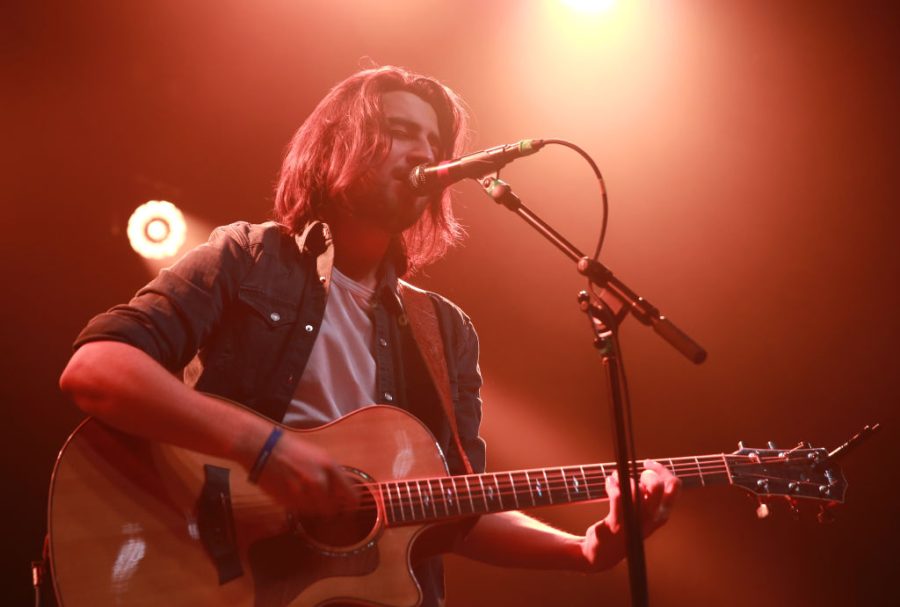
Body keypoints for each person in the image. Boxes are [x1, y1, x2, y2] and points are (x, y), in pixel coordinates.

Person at [59, 65, 680, 606]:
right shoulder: (247, 258)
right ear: (337, 147)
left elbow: (455, 515)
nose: (421, 151)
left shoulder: (446, 331)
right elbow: (96, 369)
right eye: (398, 131)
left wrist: (588, 549)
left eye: (432, 140)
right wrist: (265, 449)